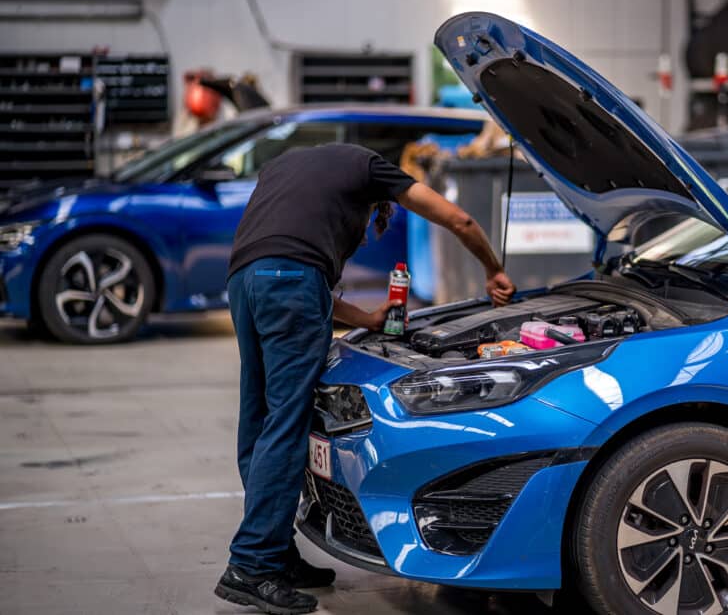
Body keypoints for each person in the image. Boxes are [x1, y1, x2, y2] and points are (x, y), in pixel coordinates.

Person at [214, 143, 516, 614]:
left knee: (259, 420)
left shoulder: (288, 166)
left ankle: (273, 554)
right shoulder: (371, 168)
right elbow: (458, 219)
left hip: (244, 281)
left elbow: (291, 272)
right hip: (287, 282)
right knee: (287, 424)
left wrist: (368, 320)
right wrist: (493, 269)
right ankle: (250, 565)